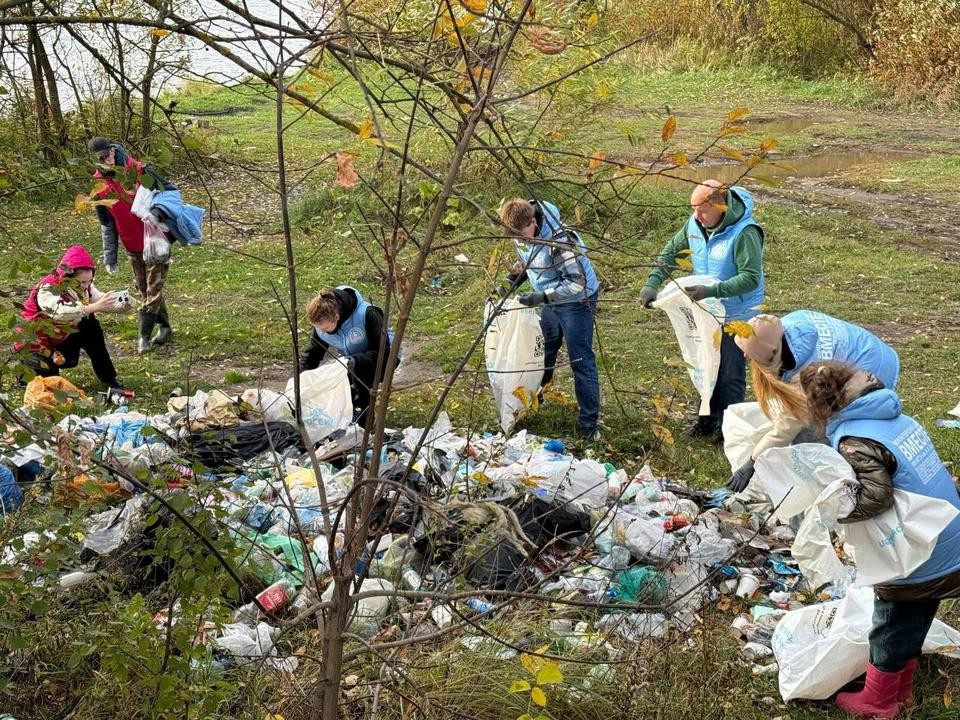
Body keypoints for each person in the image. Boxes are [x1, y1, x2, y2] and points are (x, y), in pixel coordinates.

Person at [798, 360, 960, 718]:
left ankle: (879, 701)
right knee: (914, 617)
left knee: (888, 624)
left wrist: (834, 512)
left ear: (826, 406)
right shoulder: (891, 416)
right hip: (947, 535)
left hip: (917, 555)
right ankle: (901, 688)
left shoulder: (857, 439)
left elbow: (875, 497)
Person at [640, 180, 764, 442]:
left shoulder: (745, 233)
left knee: (730, 372)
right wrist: (652, 282)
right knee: (705, 364)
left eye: (703, 210)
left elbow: (751, 278)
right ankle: (705, 421)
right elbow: (671, 252)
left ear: (721, 206)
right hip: (707, 312)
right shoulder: (695, 223)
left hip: (737, 314)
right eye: (694, 209)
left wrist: (711, 291)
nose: (697, 215)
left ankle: (728, 430)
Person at [727, 310, 900, 491]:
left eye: (749, 353)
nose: (746, 357)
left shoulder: (805, 376)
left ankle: (836, 481)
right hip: (872, 350)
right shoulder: (787, 326)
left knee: (824, 433)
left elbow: (788, 427)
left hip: (871, 370)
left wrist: (752, 461)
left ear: (769, 353)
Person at [499, 198, 601, 440]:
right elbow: (527, 261)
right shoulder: (521, 231)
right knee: (544, 350)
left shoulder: (561, 242)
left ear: (533, 222)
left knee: (580, 359)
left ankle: (589, 424)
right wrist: (510, 283)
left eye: (523, 235)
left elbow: (578, 283)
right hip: (549, 298)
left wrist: (542, 297)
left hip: (578, 301)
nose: (520, 241)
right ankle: (535, 399)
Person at [88, 136, 177, 354]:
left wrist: (157, 213)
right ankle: (165, 327)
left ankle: (143, 336)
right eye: (101, 157)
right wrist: (110, 256)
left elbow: (171, 193)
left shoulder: (138, 170)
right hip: (131, 245)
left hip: (156, 240)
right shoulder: (98, 185)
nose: (107, 159)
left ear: (113, 150)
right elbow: (106, 223)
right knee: (145, 289)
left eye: (108, 154)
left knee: (153, 289)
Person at [14, 244, 129, 390]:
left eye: (89, 281)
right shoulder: (48, 287)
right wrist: (92, 307)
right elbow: (58, 311)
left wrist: (122, 305)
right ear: (67, 276)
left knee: (91, 326)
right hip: (35, 341)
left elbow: (98, 300)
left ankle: (109, 378)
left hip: (59, 335)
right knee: (49, 387)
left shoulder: (84, 286)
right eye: (81, 282)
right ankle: (26, 373)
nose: (85, 286)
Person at [300, 286, 393, 422]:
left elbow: (382, 352)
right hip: (352, 358)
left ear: (336, 317)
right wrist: (301, 379)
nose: (322, 332)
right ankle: (346, 414)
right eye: (319, 329)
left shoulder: (368, 314)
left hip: (385, 356)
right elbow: (313, 354)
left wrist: (355, 361)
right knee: (333, 380)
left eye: (325, 328)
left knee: (361, 379)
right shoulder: (322, 326)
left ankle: (365, 421)